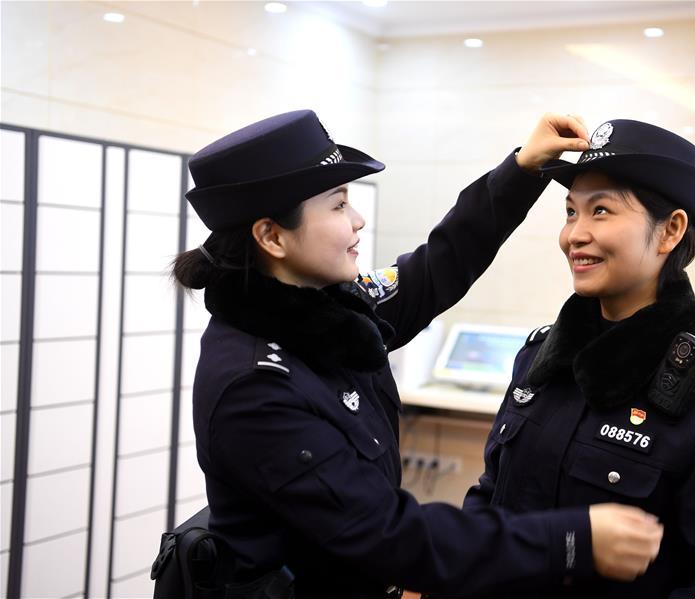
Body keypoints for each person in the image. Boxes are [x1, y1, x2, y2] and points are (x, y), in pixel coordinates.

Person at [172, 110, 664, 598]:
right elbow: (386, 533)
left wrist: (523, 169)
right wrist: (575, 541)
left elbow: (440, 262)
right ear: (272, 236)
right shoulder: (255, 386)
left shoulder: (329, 313)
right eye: (339, 205)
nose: (359, 221)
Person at [462, 119, 695, 598]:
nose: (574, 235)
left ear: (670, 231)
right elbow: (491, 494)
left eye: (601, 211)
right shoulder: (541, 358)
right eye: (570, 212)